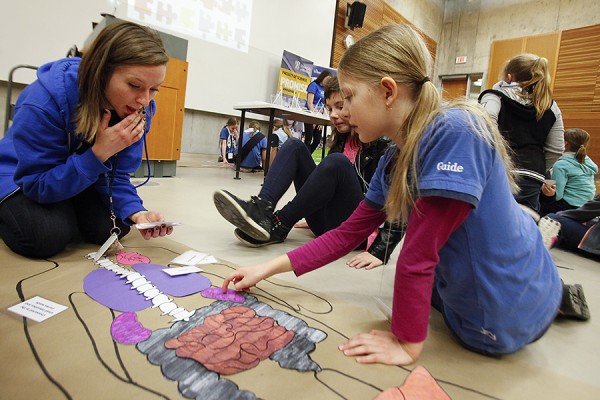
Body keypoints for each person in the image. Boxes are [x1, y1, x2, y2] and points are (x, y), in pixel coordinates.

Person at [222, 24, 587, 366]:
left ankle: (543, 284)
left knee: (469, 257)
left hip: (496, 323)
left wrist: (406, 342)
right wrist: (267, 269)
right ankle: (539, 260)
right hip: (482, 292)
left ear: (387, 91)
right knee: (490, 237)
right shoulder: (395, 157)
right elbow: (346, 234)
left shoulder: (457, 131)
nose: (343, 110)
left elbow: (417, 256)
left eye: (348, 96)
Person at [0, 20, 174, 259]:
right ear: (101, 72)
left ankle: (68, 211)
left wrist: (137, 212)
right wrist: (99, 153)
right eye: (134, 85)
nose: (144, 100)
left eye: (155, 89)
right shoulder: (43, 100)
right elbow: (37, 184)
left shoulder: (140, 110)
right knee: (43, 237)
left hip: (76, 176)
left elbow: (118, 175)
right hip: (22, 177)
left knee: (115, 226)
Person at [214, 76, 403, 268]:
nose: (333, 115)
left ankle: (279, 224)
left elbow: (397, 201)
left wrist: (381, 250)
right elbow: (324, 186)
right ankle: (262, 209)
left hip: (357, 231)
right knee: (294, 145)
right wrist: (306, 208)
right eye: (329, 109)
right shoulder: (342, 141)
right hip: (327, 223)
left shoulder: (383, 144)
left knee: (336, 162)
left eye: (340, 106)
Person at [479, 53, 564, 214]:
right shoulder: (551, 106)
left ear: (509, 77)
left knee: (492, 219)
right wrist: (536, 165)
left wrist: (498, 158)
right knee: (525, 223)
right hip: (532, 176)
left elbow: (484, 126)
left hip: (499, 170)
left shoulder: (495, 96)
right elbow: (556, 149)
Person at [540, 128, 598, 216]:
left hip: (570, 205)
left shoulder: (561, 165)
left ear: (565, 143)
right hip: (587, 205)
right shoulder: (587, 160)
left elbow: (557, 196)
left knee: (536, 206)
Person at [304, 70, 334, 153]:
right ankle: (304, 159)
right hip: (310, 115)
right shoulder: (314, 85)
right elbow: (310, 103)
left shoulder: (326, 90)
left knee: (317, 140)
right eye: (327, 79)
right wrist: (314, 117)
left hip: (319, 116)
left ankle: (307, 157)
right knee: (308, 139)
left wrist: (321, 119)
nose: (328, 82)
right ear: (323, 77)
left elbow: (326, 105)